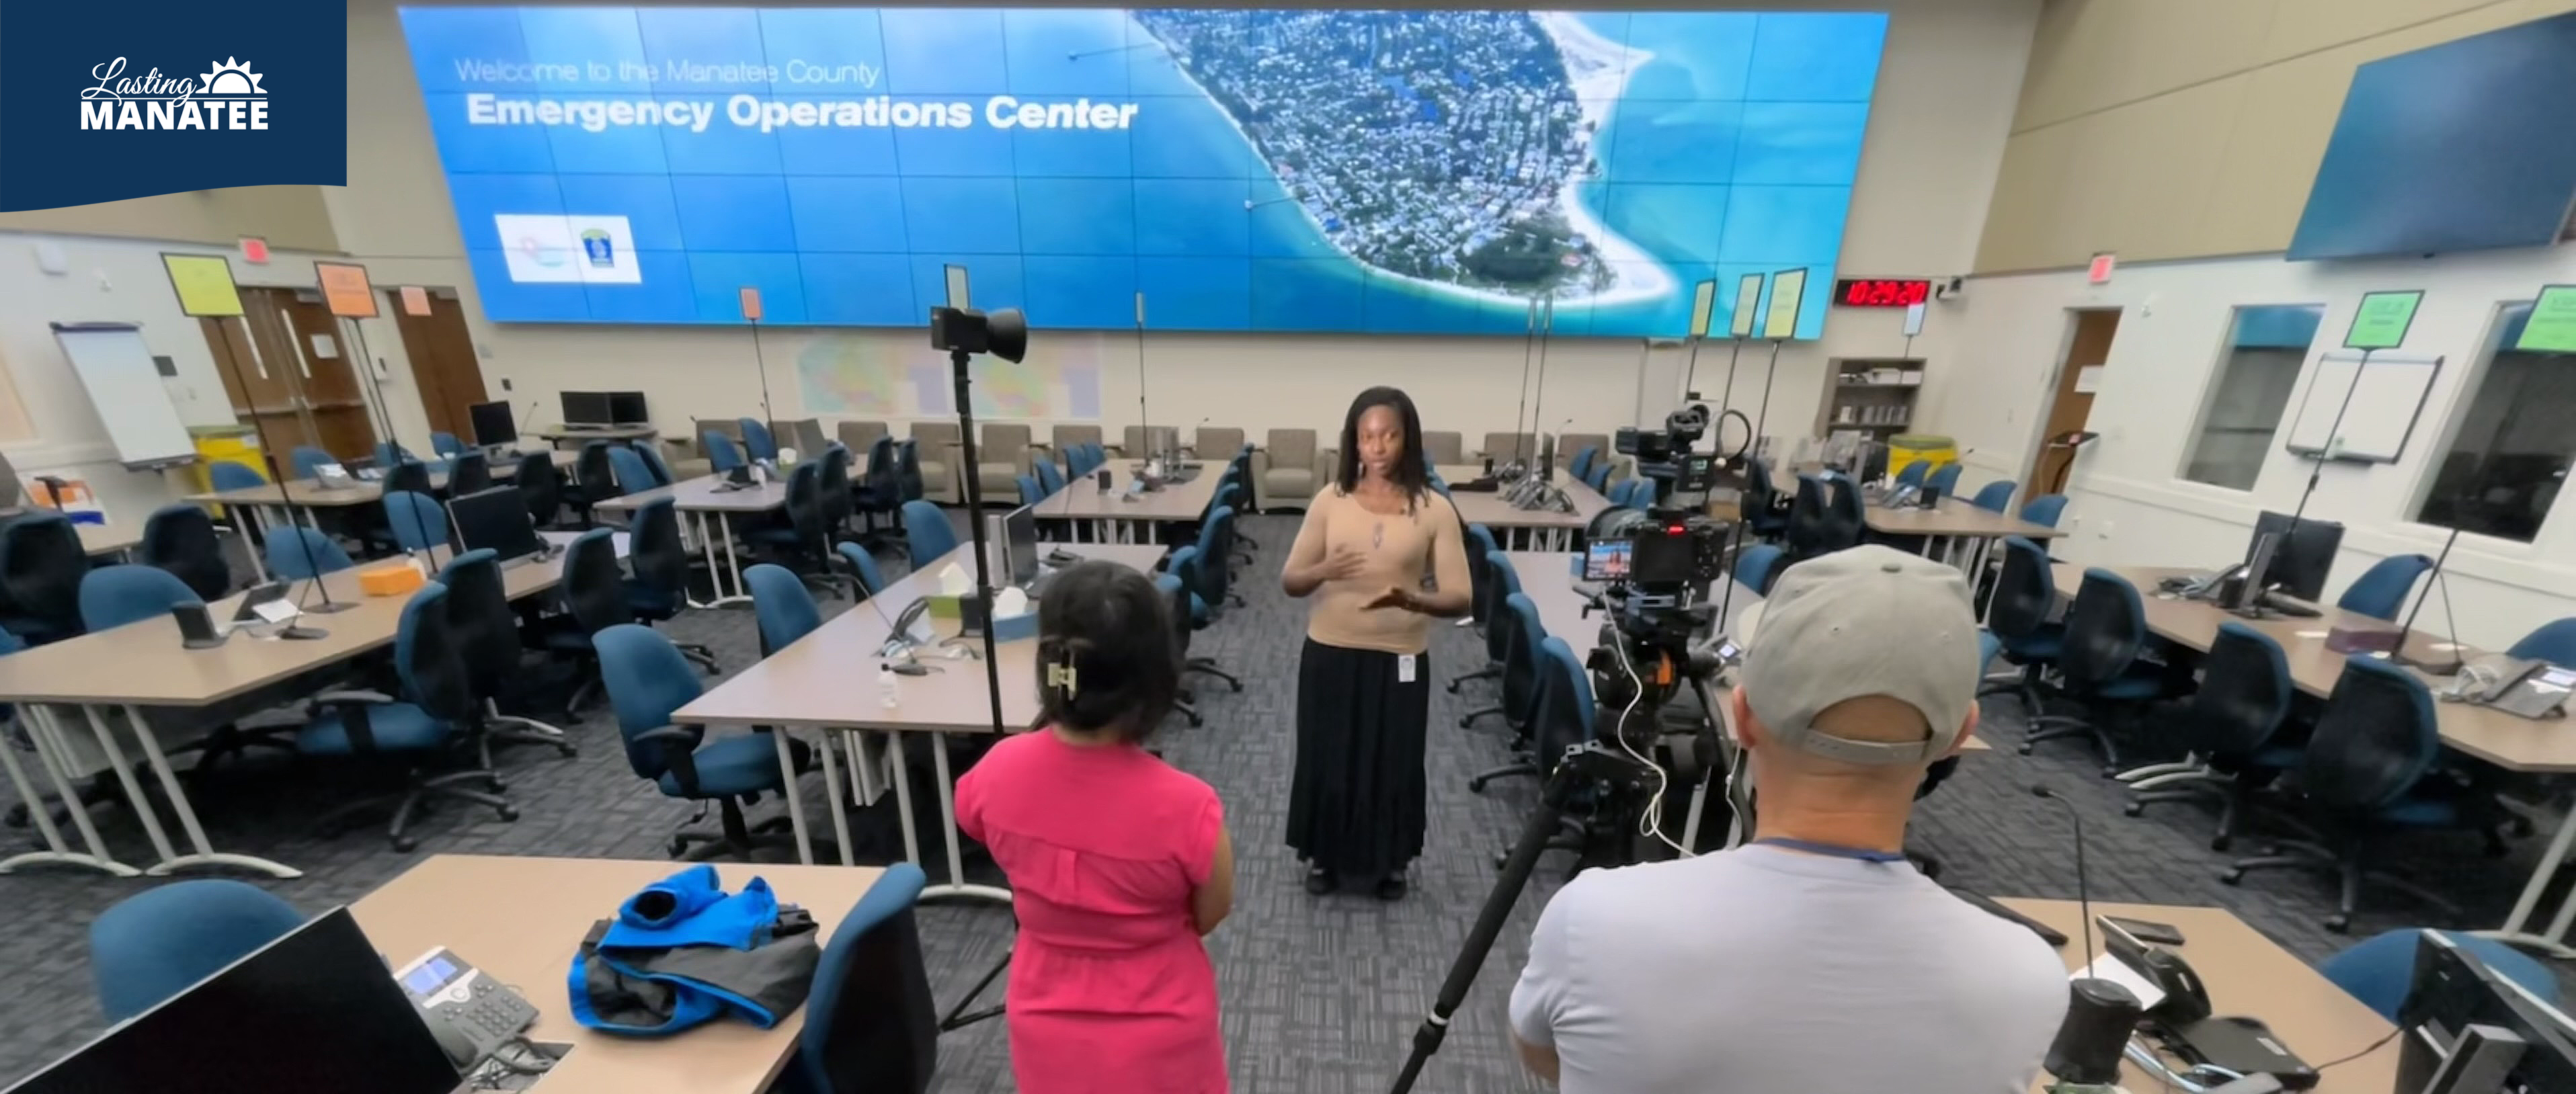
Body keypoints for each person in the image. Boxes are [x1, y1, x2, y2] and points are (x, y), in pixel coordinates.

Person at [1508, 546, 2068, 1093]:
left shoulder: (1594, 920)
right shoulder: (2027, 978)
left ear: (1744, 718)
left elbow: (1544, 1055)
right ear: (1958, 736)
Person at [955, 560, 1234, 1094]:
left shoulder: (994, 772)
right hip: (1162, 1032)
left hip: (1044, 1019)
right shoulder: (1189, 808)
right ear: (1155, 675)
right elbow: (1210, 913)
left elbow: (972, 823)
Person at [1281, 386, 1472, 900]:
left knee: (1394, 758)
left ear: (1408, 439)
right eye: (1367, 437)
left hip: (1401, 656)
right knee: (1330, 754)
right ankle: (1324, 855)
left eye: (1389, 435)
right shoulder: (1330, 501)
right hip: (1330, 650)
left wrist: (1413, 601)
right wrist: (1325, 569)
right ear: (1353, 443)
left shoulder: (1434, 509)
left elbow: (1460, 597)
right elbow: (1291, 580)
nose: (1378, 447)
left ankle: (1391, 862)